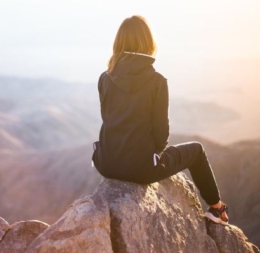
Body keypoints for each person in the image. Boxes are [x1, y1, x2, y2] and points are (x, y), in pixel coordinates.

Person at [92, 15, 229, 225]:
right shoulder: (157, 81)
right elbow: (161, 135)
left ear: (118, 43)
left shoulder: (104, 77)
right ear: (148, 43)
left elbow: (109, 118)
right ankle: (216, 208)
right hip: (141, 169)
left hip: (105, 162)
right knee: (197, 151)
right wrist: (151, 155)